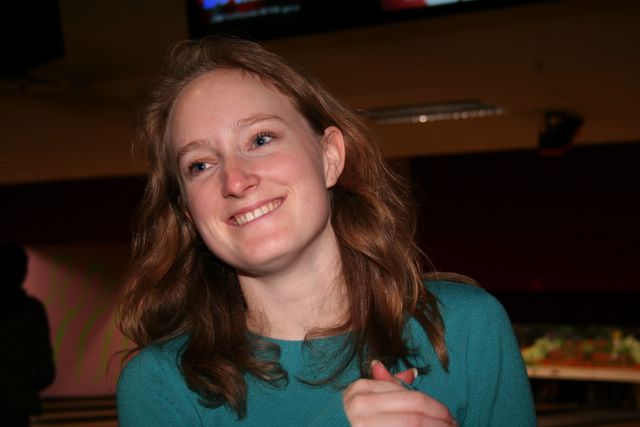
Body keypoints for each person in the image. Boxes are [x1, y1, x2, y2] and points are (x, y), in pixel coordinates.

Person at [116, 36, 536, 426]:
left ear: (330, 157)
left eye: (261, 139)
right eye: (200, 165)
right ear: (188, 212)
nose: (235, 180)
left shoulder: (467, 327)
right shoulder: (159, 384)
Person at [0, 242, 56, 427]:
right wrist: (22, 387)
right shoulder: (32, 310)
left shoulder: (31, 310)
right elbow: (45, 371)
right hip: (17, 408)